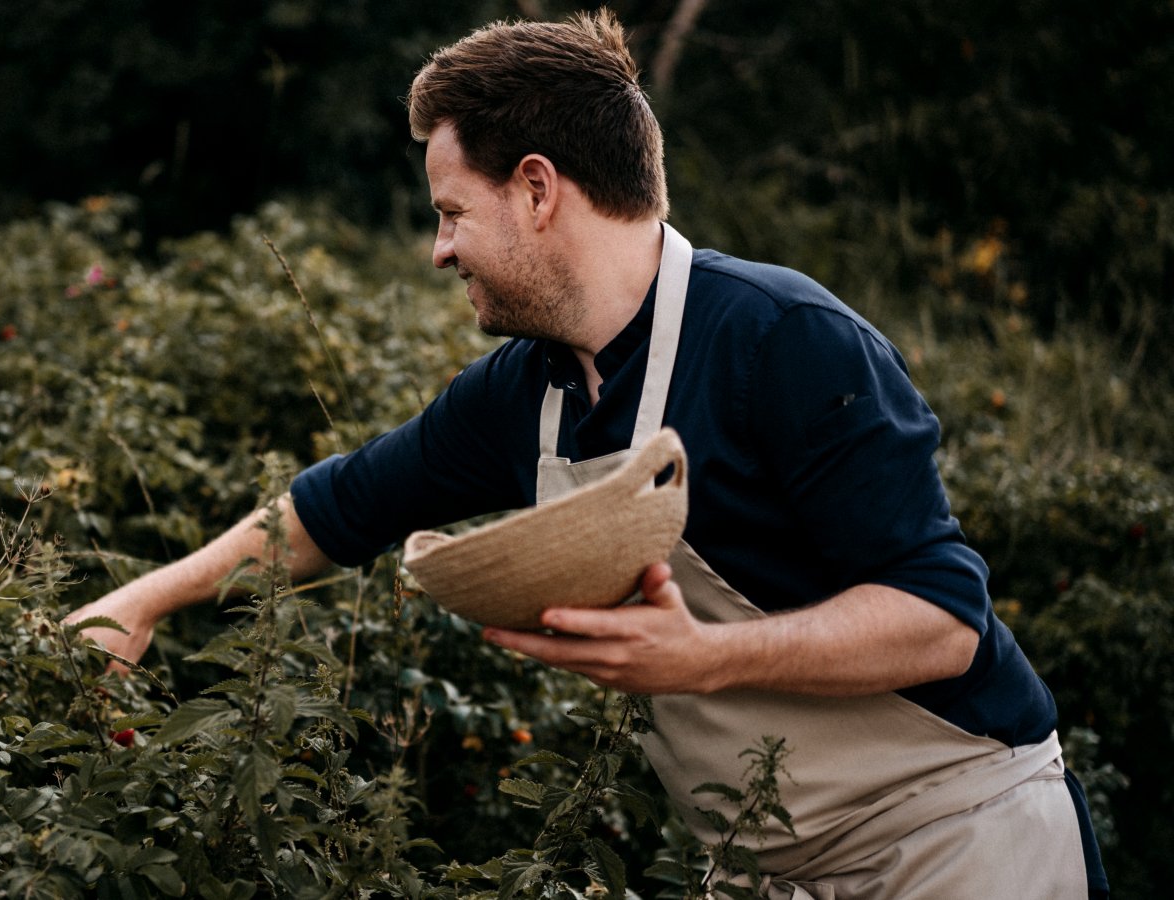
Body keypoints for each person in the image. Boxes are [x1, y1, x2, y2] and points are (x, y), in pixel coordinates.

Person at [67, 10, 1107, 898]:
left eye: (449, 212)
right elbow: (335, 510)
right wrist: (147, 600)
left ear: (535, 188)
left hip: (959, 841)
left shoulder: (783, 340)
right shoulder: (526, 391)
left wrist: (704, 659)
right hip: (766, 871)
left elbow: (942, 623)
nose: (438, 250)